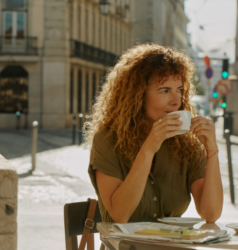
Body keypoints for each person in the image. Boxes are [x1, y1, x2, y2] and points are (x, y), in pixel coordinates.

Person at [85, 44, 223, 228]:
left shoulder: (186, 144)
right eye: (165, 90)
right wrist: (149, 147)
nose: (176, 101)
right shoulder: (107, 140)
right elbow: (119, 214)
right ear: (138, 95)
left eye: (180, 90)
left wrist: (211, 150)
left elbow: (211, 213)